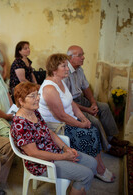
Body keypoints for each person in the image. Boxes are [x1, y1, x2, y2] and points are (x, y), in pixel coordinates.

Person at [38, 53, 115, 183]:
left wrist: (82, 118)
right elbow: (60, 115)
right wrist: (80, 124)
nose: (68, 68)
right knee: (88, 135)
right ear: (54, 69)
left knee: (93, 128)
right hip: (56, 127)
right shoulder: (49, 88)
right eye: (64, 66)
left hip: (68, 120)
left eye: (67, 65)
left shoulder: (60, 81)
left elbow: (72, 103)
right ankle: (98, 169)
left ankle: (97, 166)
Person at [11, 82, 97, 195]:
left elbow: (50, 132)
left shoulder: (34, 112)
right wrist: (63, 156)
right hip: (42, 164)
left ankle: (77, 188)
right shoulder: (20, 124)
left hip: (55, 151)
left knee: (92, 163)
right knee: (86, 175)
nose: (37, 98)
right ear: (21, 101)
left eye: (37, 94)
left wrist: (66, 148)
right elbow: (34, 153)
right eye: (32, 96)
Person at [64, 45, 128, 157]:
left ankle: (111, 138)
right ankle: (108, 148)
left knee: (104, 107)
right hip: (71, 105)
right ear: (70, 58)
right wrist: (88, 110)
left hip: (81, 99)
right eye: (80, 55)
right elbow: (68, 102)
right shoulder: (65, 72)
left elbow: (86, 88)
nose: (83, 57)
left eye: (83, 54)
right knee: (95, 120)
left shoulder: (79, 69)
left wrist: (93, 102)